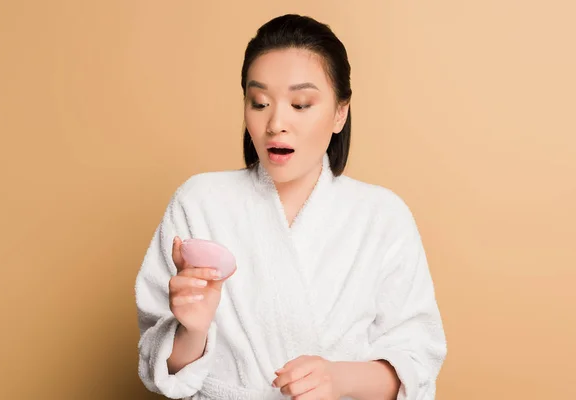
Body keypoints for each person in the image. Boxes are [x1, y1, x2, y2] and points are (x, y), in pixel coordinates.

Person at [135, 14, 447, 400]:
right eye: (259, 102)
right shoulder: (199, 202)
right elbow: (159, 367)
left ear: (339, 113)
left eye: (300, 104)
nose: (275, 123)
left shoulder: (383, 216)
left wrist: (338, 379)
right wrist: (191, 330)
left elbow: (418, 358)